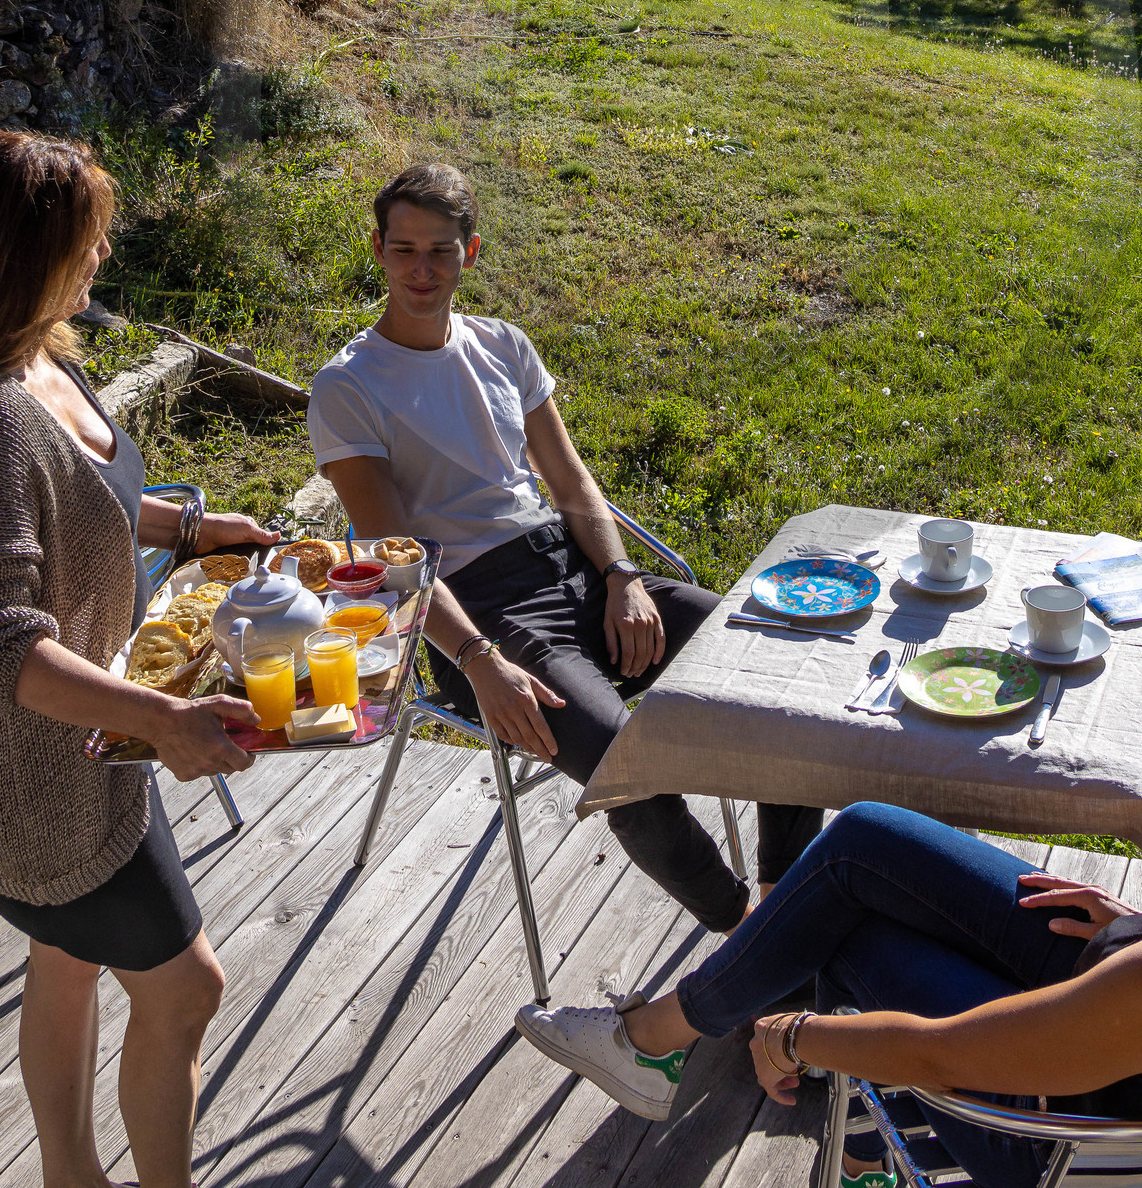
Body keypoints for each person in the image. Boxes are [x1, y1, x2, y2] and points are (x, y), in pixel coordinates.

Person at [515, 609, 1142, 1188]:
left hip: (1052, 1155)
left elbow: (940, 1056)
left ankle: (830, 1148)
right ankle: (659, 1038)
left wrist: (793, 1034)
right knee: (862, 842)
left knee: (853, 938)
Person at [0, 130, 285, 1188]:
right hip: (43, 781)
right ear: (22, 256)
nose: (105, 248)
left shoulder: (41, 363)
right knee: (185, 988)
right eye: (86, 234)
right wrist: (162, 719)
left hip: (94, 736)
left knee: (63, 966)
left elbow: (89, 492)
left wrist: (185, 529)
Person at [308, 160, 820, 932]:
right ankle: (744, 931)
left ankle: (785, 899)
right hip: (473, 612)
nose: (422, 269)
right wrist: (478, 661)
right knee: (628, 764)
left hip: (572, 568)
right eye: (405, 248)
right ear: (377, 248)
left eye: (440, 250)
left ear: (469, 254)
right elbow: (398, 554)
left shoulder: (504, 346)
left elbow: (573, 483)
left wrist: (621, 575)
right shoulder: (349, 385)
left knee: (770, 670)